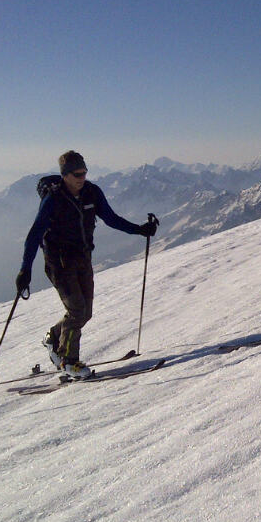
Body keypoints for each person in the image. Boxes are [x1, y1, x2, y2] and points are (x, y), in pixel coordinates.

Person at [15, 150, 158, 378]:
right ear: (65, 175)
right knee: (77, 310)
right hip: (59, 263)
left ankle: (53, 337)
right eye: (77, 173)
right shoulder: (53, 199)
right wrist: (25, 269)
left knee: (85, 313)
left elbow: (111, 218)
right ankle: (69, 362)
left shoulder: (92, 193)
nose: (82, 177)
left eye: (84, 172)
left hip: (83, 258)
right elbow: (34, 235)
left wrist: (140, 230)